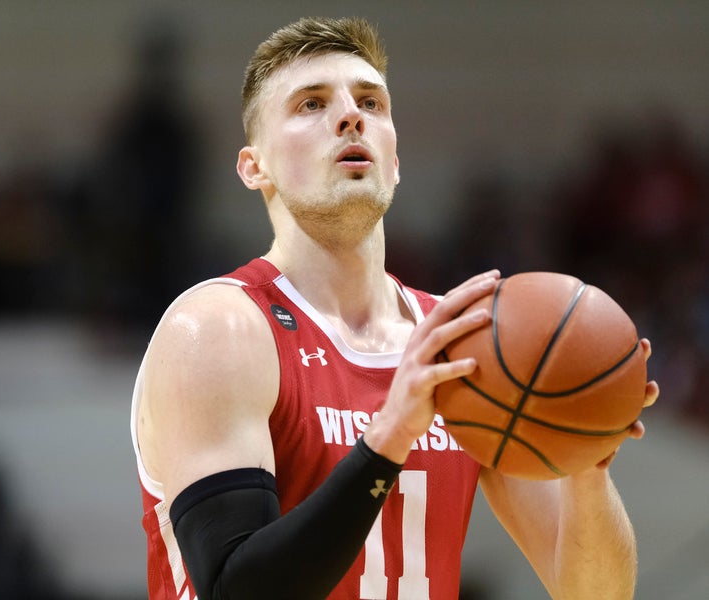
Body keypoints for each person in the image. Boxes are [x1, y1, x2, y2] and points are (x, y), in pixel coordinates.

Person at [130, 16, 659, 600]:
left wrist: (584, 454)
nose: (351, 116)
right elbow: (237, 589)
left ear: (395, 159)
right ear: (255, 167)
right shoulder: (220, 328)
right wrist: (390, 436)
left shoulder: (465, 344)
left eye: (371, 102)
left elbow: (595, 595)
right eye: (310, 104)